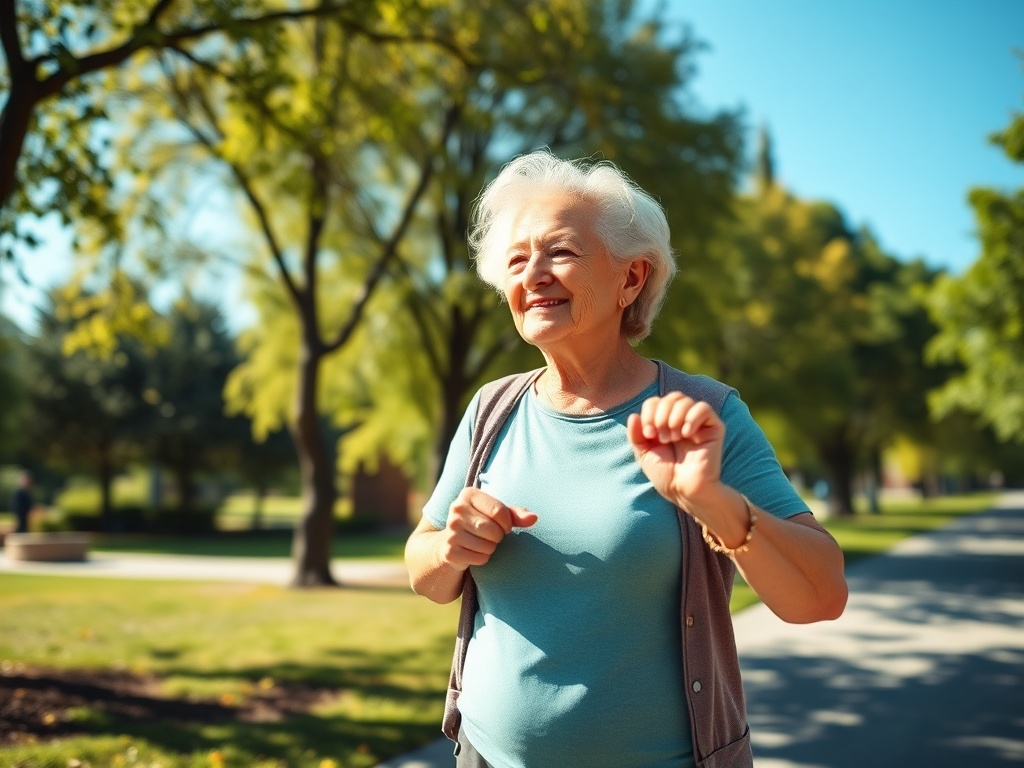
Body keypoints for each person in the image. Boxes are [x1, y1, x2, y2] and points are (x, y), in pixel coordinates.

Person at [405, 150, 848, 768]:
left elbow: (820, 597)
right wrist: (451, 547)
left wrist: (712, 502)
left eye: (559, 252)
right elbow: (422, 568)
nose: (532, 274)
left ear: (632, 278)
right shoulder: (490, 411)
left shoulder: (704, 413)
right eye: (515, 260)